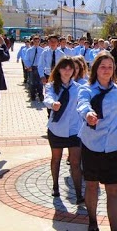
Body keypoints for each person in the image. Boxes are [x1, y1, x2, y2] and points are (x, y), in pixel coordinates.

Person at [77, 52, 117, 231]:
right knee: (92, 186)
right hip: (93, 144)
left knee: (113, 190)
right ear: (95, 69)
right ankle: (92, 220)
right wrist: (88, 114)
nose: (106, 70)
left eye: (110, 66)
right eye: (102, 66)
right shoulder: (86, 89)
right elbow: (82, 104)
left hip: (114, 145)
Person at [44, 57, 83, 202]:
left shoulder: (79, 88)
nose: (67, 71)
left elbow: (85, 102)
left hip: (74, 129)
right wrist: (53, 103)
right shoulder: (52, 86)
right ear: (58, 70)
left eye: (70, 68)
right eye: (64, 68)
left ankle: (79, 193)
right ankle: (55, 186)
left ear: (74, 71)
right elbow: (48, 98)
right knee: (56, 158)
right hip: (56, 129)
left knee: (75, 162)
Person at [23, 36, 44, 101]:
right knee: (32, 82)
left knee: (40, 82)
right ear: (33, 41)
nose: (37, 43)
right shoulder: (29, 50)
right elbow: (26, 59)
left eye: (38, 41)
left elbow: (44, 59)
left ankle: (40, 95)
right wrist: (29, 66)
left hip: (40, 68)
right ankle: (33, 95)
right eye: (35, 41)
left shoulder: (42, 50)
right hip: (32, 68)